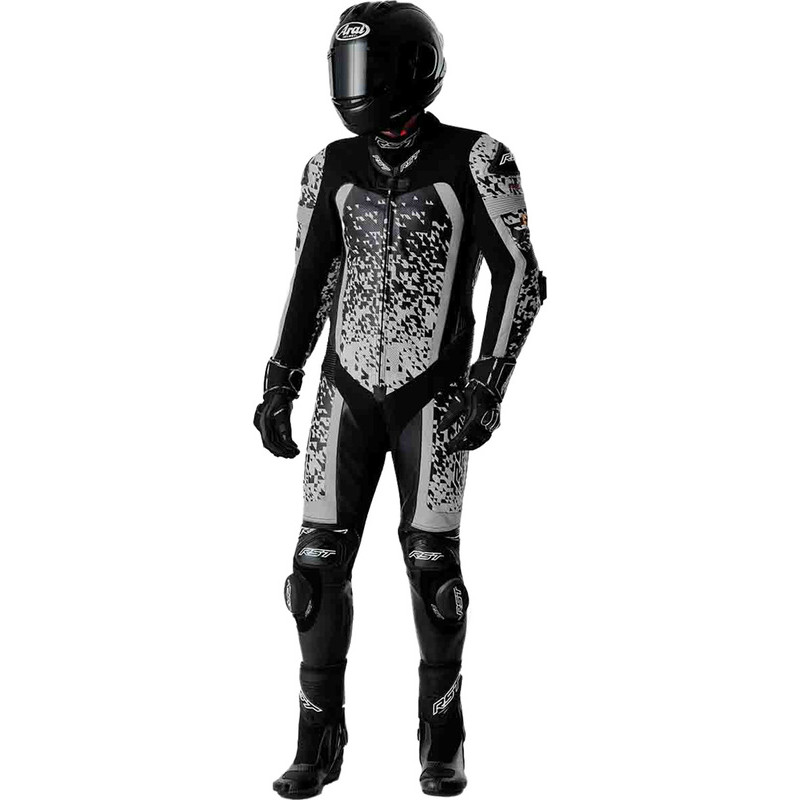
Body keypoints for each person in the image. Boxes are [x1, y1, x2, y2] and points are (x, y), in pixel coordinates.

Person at [254, 2, 547, 796]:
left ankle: (442, 738)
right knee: (313, 573)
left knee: (433, 573)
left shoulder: (477, 159)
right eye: (344, 68)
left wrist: (488, 381)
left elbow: (522, 276)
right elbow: (309, 280)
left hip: (435, 396)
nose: (351, 86)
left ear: (410, 70)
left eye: (365, 69)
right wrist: (280, 378)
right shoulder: (328, 167)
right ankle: (318, 740)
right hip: (343, 394)